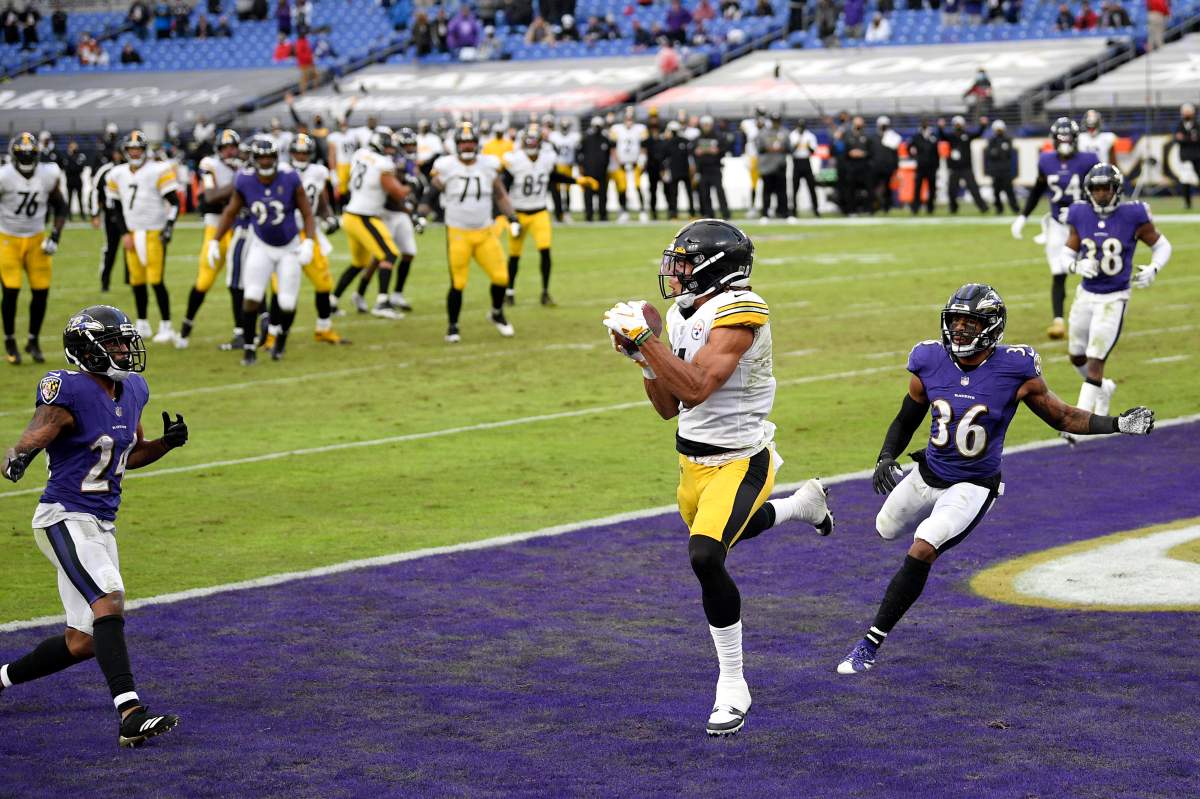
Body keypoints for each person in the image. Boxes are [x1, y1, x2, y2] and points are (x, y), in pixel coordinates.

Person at [836, 283, 1156, 675]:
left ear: (991, 328)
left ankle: (869, 644)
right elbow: (908, 415)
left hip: (973, 484)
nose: (959, 331)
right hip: (928, 471)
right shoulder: (928, 360)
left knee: (923, 547)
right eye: (954, 322)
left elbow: (1065, 417)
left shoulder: (1014, 367)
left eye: (969, 324)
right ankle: (927, 522)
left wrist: (1117, 423)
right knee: (884, 529)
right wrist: (886, 455)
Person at [601, 219, 833, 736]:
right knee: (730, 531)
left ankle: (733, 683)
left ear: (714, 269)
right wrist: (643, 355)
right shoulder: (685, 314)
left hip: (741, 458)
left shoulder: (741, 310)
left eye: (683, 264)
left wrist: (648, 342)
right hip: (692, 462)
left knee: (706, 555)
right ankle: (802, 506)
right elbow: (668, 405)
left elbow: (699, 386)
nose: (673, 273)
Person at [1, 304, 187, 747]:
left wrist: (165, 444)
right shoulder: (68, 390)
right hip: (63, 516)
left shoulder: (134, 388)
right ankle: (130, 712)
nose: (124, 350)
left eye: (125, 341)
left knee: (83, 641)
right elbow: (36, 433)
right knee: (109, 599)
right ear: (87, 350)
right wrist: (19, 457)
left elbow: (127, 456)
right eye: (115, 343)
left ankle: (2, 678)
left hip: (101, 523)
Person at [1058, 164, 1171, 423]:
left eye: (1104, 188)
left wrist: (1154, 268)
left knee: (1096, 359)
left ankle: (1078, 422)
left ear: (1116, 189)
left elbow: (1162, 246)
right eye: (1095, 189)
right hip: (1085, 294)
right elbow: (1065, 254)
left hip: (1114, 297)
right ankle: (1104, 387)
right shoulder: (1079, 213)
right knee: (1077, 355)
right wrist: (1076, 265)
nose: (1100, 194)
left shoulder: (1133, 215)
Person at [206, 137, 317, 365]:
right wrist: (215, 240)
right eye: (261, 157)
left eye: (269, 157)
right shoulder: (244, 180)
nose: (266, 161)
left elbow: (306, 212)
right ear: (254, 160)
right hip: (261, 245)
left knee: (287, 303)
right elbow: (230, 212)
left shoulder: (289, 177)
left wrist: (309, 241)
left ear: (276, 158)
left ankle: (281, 342)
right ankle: (249, 349)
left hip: (289, 247)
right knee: (252, 296)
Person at [422, 122, 519, 343]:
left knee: (501, 277)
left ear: (477, 144)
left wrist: (512, 217)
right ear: (456, 144)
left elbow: (500, 194)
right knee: (458, 282)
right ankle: (453, 326)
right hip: (458, 232)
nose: (467, 146)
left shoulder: (488, 165)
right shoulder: (446, 165)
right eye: (463, 142)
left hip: (485, 232)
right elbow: (431, 193)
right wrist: (421, 214)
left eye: (471, 142)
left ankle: (496, 313)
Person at [1010, 117, 1099, 339]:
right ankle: (1058, 321)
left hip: (1084, 224)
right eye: (1061, 138)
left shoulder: (1089, 160)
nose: (1065, 142)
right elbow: (1038, 189)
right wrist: (1023, 216)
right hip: (1058, 226)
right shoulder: (1046, 161)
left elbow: (1101, 191)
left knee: (1092, 270)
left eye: (1068, 137)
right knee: (1058, 272)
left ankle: (1097, 315)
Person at [501, 127, 598, 306]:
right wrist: (504, 215)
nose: (531, 146)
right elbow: (503, 189)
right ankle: (510, 291)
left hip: (539, 212)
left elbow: (553, 176)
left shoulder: (545, 160)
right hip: (519, 214)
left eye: (534, 142)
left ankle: (545, 292)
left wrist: (577, 181)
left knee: (545, 251)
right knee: (514, 255)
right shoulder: (515, 161)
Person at [105, 131, 180, 344]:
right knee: (137, 281)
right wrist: (124, 233)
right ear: (125, 151)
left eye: (138, 148)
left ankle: (166, 325)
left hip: (154, 231)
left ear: (144, 150)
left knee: (156, 280)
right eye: (131, 149)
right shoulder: (117, 173)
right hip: (132, 232)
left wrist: (168, 227)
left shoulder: (157, 170)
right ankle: (143, 323)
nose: (135, 152)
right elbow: (116, 208)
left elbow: (174, 201)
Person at [328, 127, 410, 318]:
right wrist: (410, 186)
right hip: (363, 216)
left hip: (350, 214)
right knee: (389, 254)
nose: (391, 151)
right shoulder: (382, 164)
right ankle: (382, 302)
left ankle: (332, 301)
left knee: (359, 263)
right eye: (389, 148)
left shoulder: (360, 154)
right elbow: (396, 192)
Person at [1, 133, 67, 365]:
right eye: (23, 154)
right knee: (11, 290)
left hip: (36, 238)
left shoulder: (47, 174)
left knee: (41, 290)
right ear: (14, 155)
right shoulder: (4, 176)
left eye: (30, 154)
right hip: (7, 238)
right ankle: (10, 340)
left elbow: (61, 206)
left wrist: (55, 236)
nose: (27, 158)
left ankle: (33, 340)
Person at [178, 129, 243, 350]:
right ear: (218, 149)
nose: (230, 151)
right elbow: (211, 197)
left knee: (240, 283)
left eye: (233, 146)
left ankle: (243, 332)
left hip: (238, 230)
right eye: (225, 147)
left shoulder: (243, 166)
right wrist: (240, 182)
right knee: (204, 281)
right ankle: (185, 329)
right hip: (215, 229)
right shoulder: (210, 164)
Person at [610, 107, 649, 223]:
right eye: (627, 118)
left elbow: (644, 146)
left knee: (638, 187)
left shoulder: (640, 129)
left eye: (631, 118)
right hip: (621, 163)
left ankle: (642, 211)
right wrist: (617, 162)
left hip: (635, 163)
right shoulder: (616, 129)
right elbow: (612, 148)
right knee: (622, 188)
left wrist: (642, 159)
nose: (629, 121)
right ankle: (623, 211)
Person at [694, 116, 730, 219]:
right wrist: (696, 152)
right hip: (703, 169)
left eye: (708, 125)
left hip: (715, 168)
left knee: (720, 192)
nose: (706, 127)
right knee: (705, 193)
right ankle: (708, 214)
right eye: (704, 125)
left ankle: (725, 214)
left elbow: (724, 148)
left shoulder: (718, 137)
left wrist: (717, 151)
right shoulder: (698, 138)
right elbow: (693, 150)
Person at [579, 116, 612, 222]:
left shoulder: (605, 139)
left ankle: (603, 215)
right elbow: (579, 154)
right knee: (588, 195)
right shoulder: (586, 139)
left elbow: (608, 156)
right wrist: (581, 166)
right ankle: (589, 216)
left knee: (603, 195)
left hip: (602, 172)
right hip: (589, 172)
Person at [983, 119, 1018, 214]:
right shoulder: (991, 141)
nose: (999, 131)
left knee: (1010, 191)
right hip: (996, 171)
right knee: (996, 192)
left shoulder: (1008, 139)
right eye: (997, 129)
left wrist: (997, 152)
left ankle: (1015, 208)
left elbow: (1008, 154)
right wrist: (999, 152)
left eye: (1000, 129)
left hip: (1006, 170)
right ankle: (999, 209)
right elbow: (990, 154)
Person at [662, 120, 694, 220]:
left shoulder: (679, 141)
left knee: (679, 193)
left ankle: (679, 214)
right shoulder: (681, 141)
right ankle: (678, 214)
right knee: (677, 193)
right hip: (679, 171)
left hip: (680, 171)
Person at [789, 119, 820, 217]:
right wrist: (798, 143)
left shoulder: (810, 136)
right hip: (796, 162)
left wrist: (808, 146)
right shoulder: (793, 135)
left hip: (806, 162)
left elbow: (813, 150)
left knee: (811, 188)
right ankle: (793, 211)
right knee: (794, 189)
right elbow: (791, 150)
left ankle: (816, 209)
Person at [870, 116, 901, 213]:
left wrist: (895, 167)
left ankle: (887, 207)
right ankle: (875, 206)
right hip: (876, 167)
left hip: (888, 167)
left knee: (887, 188)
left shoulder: (892, 137)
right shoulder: (874, 138)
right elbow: (871, 152)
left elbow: (895, 154)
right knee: (874, 188)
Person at [1175, 103, 1200, 209]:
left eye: (1188, 112)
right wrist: (1190, 138)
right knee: (1185, 181)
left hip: (1197, 157)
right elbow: (1176, 139)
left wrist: (1184, 138)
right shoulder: (1180, 125)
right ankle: (1187, 204)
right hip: (1185, 157)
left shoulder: (1197, 125)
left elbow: (1197, 139)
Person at [63, 141, 88, 221]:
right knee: (69, 199)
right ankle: (69, 216)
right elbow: (67, 169)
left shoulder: (79, 156)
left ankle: (82, 215)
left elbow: (80, 168)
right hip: (70, 180)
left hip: (77, 180)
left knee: (80, 199)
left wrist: (73, 167)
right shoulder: (67, 157)